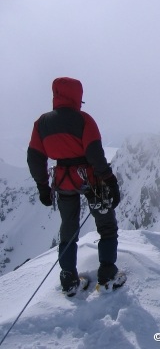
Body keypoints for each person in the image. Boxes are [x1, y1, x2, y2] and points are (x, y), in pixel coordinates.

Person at [27, 77, 122, 296]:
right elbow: (95, 154)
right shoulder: (84, 120)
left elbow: (34, 157)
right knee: (106, 225)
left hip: (63, 181)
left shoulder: (41, 123)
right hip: (90, 180)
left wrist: (42, 186)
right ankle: (107, 274)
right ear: (77, 96)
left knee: (68, 229)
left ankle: (69, 279)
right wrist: (109, 180)